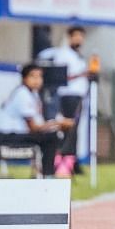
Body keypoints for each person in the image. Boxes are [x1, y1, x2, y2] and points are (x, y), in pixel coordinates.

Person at [0, 65, 72, 177]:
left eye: (39, 77)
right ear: (24, 78)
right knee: (51, 138)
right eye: (33, 76)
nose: (37, 80)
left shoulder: (33, 94)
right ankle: (47, 175)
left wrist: (57, 124)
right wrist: (57, 124)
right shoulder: (22, 94)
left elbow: (39, 123)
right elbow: (34, 127)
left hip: (18, 135)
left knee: (52, 136)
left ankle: (44, 172)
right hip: (8, 136)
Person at [35, 25, 91, 176]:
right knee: (67, 129)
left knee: (74, 131)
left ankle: (71, 162)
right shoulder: (64, 55)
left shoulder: (79, 56)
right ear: (70, 37)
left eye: (81, 36)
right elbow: (62, 77)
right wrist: (84, 74)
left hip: (79, 95)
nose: (79, 39)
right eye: (76, 36)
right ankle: (61, 163)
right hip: (68, 95)